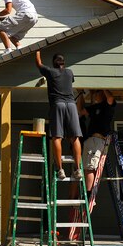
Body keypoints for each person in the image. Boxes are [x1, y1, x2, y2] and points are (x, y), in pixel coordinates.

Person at [35, 51, 82, 180]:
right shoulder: (69, 72)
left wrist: (38, 50)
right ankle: (78, 170)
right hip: (71, 105)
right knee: (75, 138)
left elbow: (38, 63)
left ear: (54, 63)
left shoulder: (50, 72)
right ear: (63, 63)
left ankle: (60, 170)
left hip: (58, 105)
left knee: (57, 137)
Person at [77, 90, 116, 190]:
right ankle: (87, 194)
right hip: (90, 141)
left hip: (97, 141)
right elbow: (80, 112)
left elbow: (110, 98)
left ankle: (89, 195)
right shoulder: (95, 107)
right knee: (86, 169)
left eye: (97, 93)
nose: (94, 95)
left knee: (90, 168)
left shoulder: (106, 106)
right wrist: (80, 94)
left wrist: (103, 87)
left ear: (102, 94)